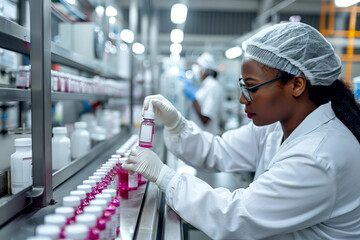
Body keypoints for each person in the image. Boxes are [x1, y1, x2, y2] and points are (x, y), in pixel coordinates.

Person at [122, 22, 360, 239]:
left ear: (296, 85)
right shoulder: (277, 127)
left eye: (251, 87)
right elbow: (219, 151)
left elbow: (235, 216)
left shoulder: (319, 156)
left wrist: (165, 177)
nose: (242, 99)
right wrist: (177, 125)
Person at [181, 52, 223, 134]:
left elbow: (205, 119)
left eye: (199, 67)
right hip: (199, 136)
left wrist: (194, 99)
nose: (197, 70)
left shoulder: (212, 86)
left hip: (206, 138)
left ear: (205, 69)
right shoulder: (205, 85)